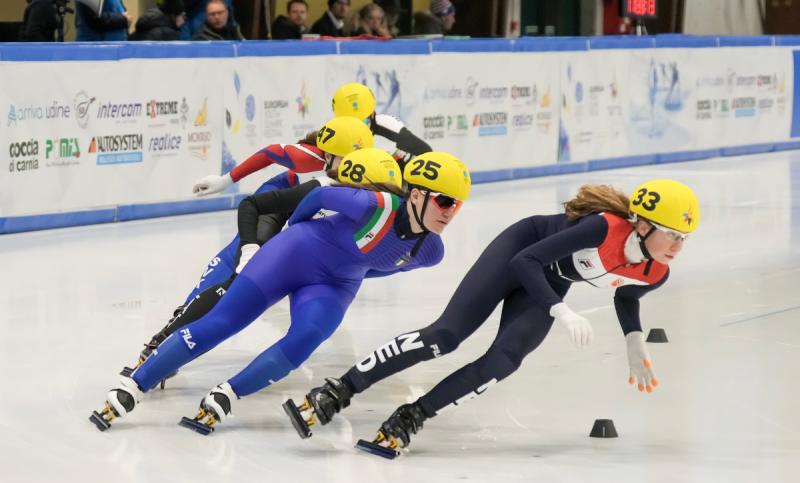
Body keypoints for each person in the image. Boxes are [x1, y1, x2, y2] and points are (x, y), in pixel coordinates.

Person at [283, 179, 700, 457]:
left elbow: (628, 297)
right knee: (445, 336)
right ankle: (339, 390)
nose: (677, 247)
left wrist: (634, 339)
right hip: (522, 251)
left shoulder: (656, 270)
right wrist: (560, 309)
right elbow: (527, 261)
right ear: (642, 225)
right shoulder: (603, 228)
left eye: (684, 239)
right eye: (672, 235)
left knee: (505, 360)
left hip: (551, 283)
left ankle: (413, 416)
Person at [90, 148, 472, 434]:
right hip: (296, 251)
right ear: (418, 195)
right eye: (443, 200)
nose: (449, 212)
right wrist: (295, 232)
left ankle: (227, 395)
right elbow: (319, 198)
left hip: (336, 282)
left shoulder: (430, 251)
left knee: (308, 337)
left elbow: (381, 267)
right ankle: (133, 385)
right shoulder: (374, 205)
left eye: (457, 206)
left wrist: (353, 275)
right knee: (224, 321)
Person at [118, 84, 431, 382]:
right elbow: (271, 155)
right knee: (233, 278)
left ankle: (166, 342)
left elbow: (420, 165)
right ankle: (158, 347)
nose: (346, 171)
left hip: (307, 214)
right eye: (340, 163)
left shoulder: (377, 162)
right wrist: (227, 180)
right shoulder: (318, 155)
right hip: (276, 206)